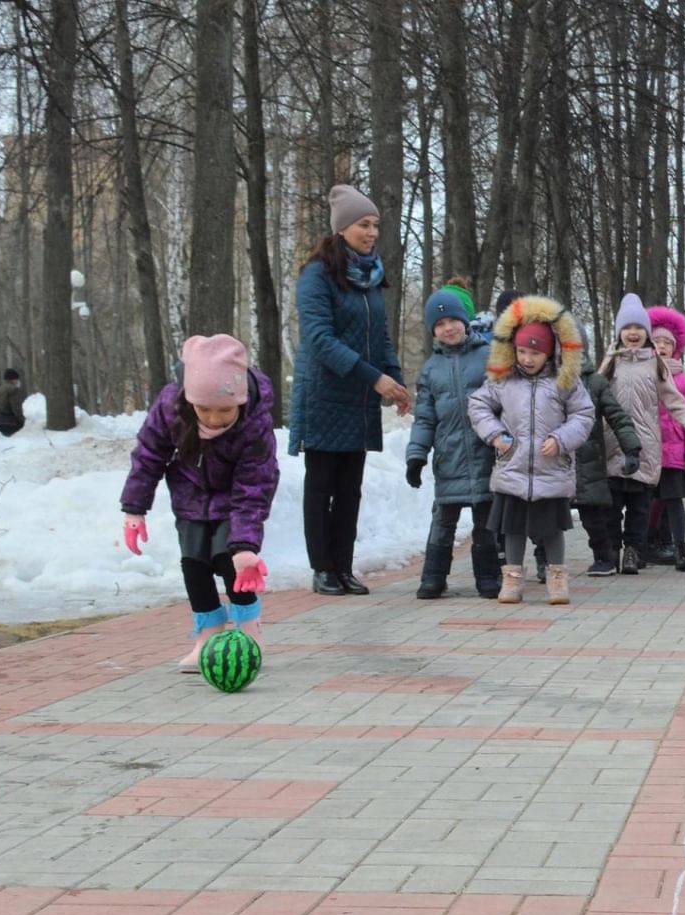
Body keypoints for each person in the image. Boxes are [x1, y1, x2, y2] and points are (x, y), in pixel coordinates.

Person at [119, 335, 279, 670]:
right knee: (194, 564)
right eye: (204, 409)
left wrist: (246, 545)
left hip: (234, 499)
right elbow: (148, 456)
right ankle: (207, 636)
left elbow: (255, 485)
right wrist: (135, 508)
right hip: (190, 496)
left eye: (224, 410)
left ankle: (249, 630)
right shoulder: (170, 408)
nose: (214, 419)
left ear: (240, 400)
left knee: (229, 560)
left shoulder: (254, 423)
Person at [287, 184, 409, 596]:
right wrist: (373, 377)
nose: (372, 232)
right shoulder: (317, 275)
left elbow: (382, 337)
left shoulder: (371, 278)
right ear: (342, 228)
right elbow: (319, 340)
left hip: (357, 397)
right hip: (324, 395)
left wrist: (396, 379)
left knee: (350, 488)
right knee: (321, 485)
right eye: (364, 224)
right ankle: (322, 568)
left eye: (376, 225)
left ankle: (344, 567)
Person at [468, 296, 596, 605]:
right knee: (512, 528)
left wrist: (563, 439)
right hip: (513, 467)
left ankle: (557, 577)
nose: (527, 358)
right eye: (522, 351)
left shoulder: (564, 381)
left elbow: (584, 414)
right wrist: (496, 434)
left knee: (551, 529)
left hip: (550, 469)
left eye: (535, 353)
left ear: (549, 352)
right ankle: (512, 578)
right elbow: (478, 404)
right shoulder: (504, 379)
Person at [599, 293, 685, 574]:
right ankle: (611, 551)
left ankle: (633, 551)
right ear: (620, 332)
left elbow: (674, 401)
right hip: (613, 445)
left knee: (639, 506)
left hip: (646, 447)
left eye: (638, 328)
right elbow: (593, 399)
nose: (632, 333)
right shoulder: (610, 362)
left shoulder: (655, 364)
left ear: (645, 332)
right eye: (627, 328)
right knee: (612, 505)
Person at [406, 285, 499, 599]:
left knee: (485, 520)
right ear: (434, 330)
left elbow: (504, 400)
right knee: (443, 519)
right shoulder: (431, 369)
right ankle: (433, 576)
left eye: (453, 320)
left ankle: (488, 576)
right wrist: (416, 455)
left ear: (465, 320)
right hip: (450, 455)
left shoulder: (488, 356)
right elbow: (424, 418)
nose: (449, 328)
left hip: (485, 452)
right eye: (440, 324)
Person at [573, 322, 642, 577]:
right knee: (545, 517)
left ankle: (604, 557)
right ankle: (545, 560)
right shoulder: (544, 381)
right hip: (553, 461)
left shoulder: (594, 382)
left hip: (587, 459)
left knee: (592, 517)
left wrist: (631, 449)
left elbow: (618, 417)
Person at [649, 305, 685, 572]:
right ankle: (642, 546)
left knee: (673, 502)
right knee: (646, 504)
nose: (661, 346)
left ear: (675, 347)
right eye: (656, 341)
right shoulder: (643, 373)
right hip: (647, 452)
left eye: (667, 342)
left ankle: (680, 548)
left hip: (673, 452)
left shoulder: (683, 379)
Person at [0, 368, 26, 437]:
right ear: (13, 379)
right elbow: (16, 406)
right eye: (17, 379)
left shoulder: (0, 389)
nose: (18, 381)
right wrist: (21, 419)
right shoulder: (13, 389)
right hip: (9, 421)